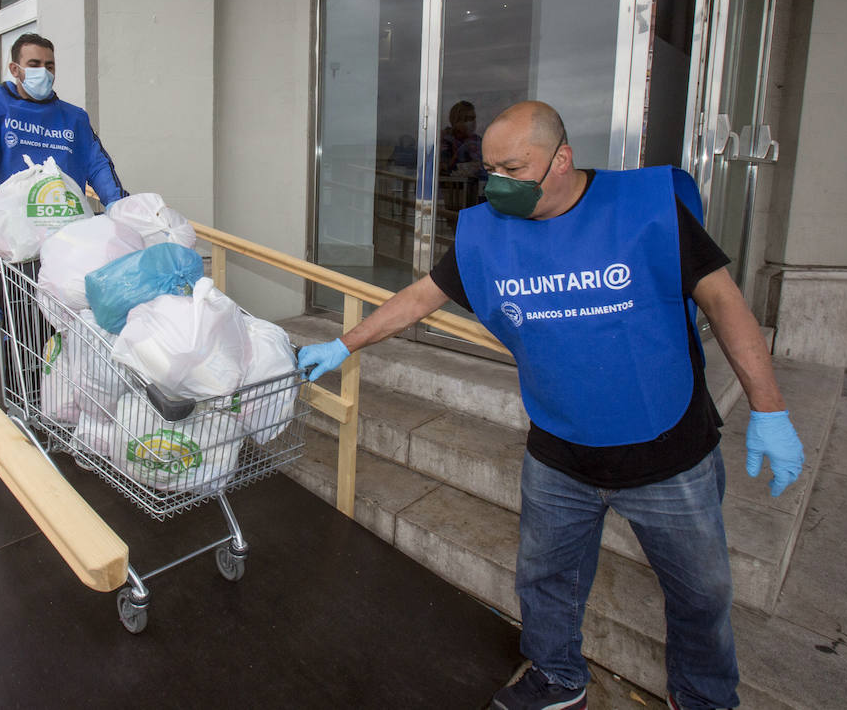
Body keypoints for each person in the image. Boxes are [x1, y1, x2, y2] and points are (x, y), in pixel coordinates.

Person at [297, 101, 805, 710]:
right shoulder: (488, 231)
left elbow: (725, 303)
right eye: (491, 171)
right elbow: (419, 297)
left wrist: (768, 409)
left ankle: (704, 698)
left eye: (515, 167)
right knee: (545, 581)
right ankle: (559, 678)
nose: (499, 184)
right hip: (559, 451)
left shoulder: (646, 211)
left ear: (561, 159)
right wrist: (343, 343)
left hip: (668, 454)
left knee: (701, 596)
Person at [0, 33, 126, 212]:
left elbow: (98, 165)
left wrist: (119, 205)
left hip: (69, 222)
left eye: (49, 66)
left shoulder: (74, 118)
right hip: (16, 221)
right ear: (15, 70)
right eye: (34, 65)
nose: (44, 71)